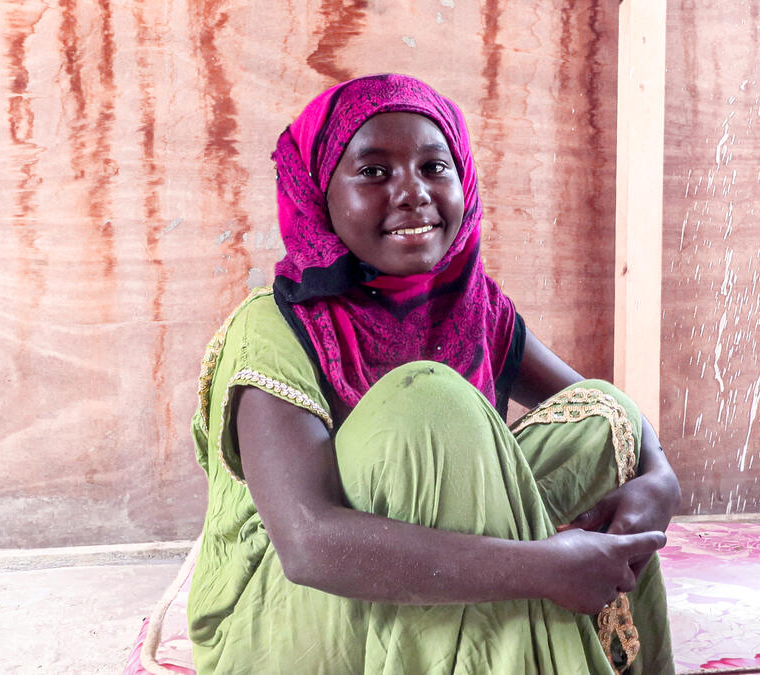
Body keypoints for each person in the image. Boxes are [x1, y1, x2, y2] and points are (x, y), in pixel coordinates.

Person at [187, 73, 680, 674]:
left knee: (605, 414)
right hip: (288, 619)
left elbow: (601, 411)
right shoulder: (275, 326)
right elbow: (308, 545)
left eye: (434, 167)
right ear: (319, 193)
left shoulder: (471, 306)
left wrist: (661, 478)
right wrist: (547, 568)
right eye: (374, 172)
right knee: (429, 404)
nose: (413, 193)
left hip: (429, 571)